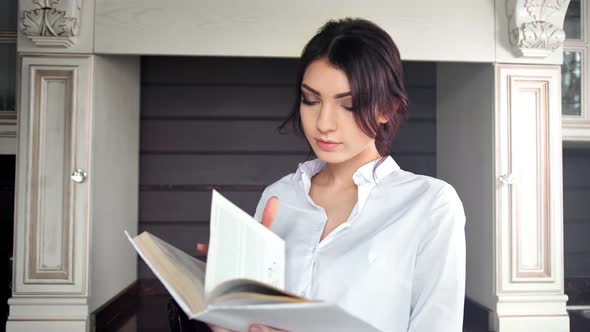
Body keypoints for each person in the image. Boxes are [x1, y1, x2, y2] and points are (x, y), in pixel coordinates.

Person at [206, 17, 466, 332]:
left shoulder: (430, 204)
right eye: (311, 100)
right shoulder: (278, 197)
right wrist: (228, 314)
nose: (324, 123)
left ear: (387, 108)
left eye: (349, 105)